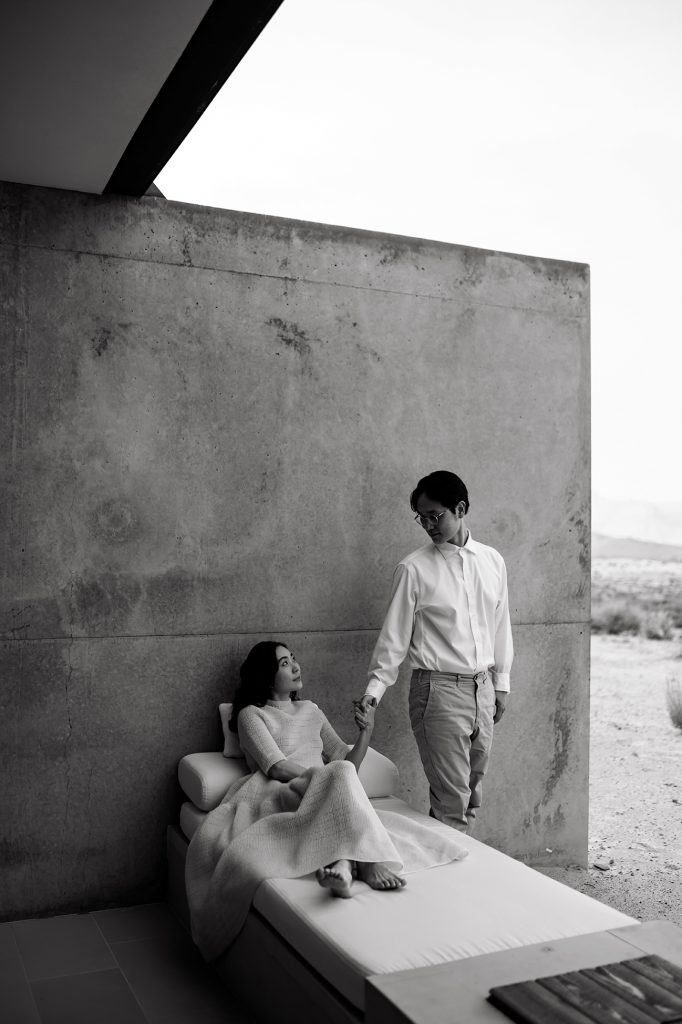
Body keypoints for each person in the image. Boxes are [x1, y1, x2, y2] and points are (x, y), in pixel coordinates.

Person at [185, 640, 466, 961]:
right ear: (266, 677)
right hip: (278, 790)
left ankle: (344, 868)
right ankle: (367, 861)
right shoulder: (253, 715)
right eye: (284, 664)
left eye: (294, 659)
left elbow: (348, 764)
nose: (295, 666)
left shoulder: (311, 710)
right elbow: (275, 766)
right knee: (337, 775)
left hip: (322, 787)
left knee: (341, 772)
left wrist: (366, 732)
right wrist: (321, 780)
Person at [355, 470, 513, 833]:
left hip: (482, 687)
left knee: (472, 795)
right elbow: (393, 639)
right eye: (421, 517)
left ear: (460, 508)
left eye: (434, 515)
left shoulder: (492, 561)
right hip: (438, 692)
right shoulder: (413, 569)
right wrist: (372, 694)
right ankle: (456, 885)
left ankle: (447, 870)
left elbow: (500, 625)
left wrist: (500, 684)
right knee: (451, 802)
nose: (427, 524)